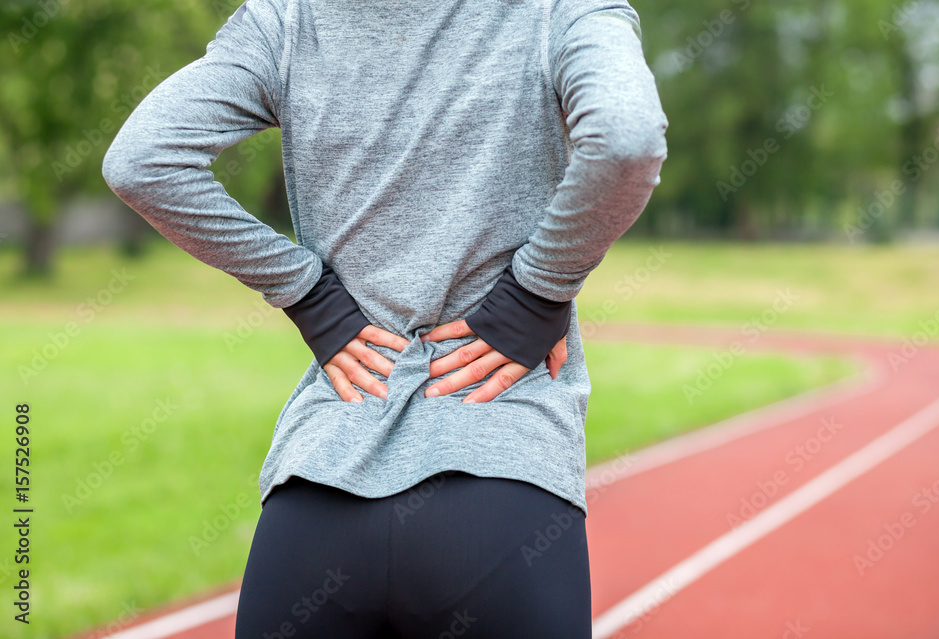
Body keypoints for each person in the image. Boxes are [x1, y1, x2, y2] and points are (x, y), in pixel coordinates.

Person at [102, 0, 667, 635]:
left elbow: (142, 160)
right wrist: (537, 294)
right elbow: (628, 138)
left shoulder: (286, 20)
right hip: (501, 473)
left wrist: (307, 295)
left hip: (319, 494)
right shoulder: (560, 10)